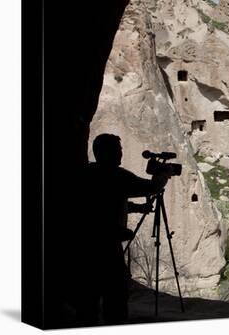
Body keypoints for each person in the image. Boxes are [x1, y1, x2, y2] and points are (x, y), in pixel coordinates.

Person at [73, 133, 168, 325]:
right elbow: (151, 187)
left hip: (84, 246)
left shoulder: (87, 173)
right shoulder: (116, 175)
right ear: (108, 152)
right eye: (118, 150)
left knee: (88, 298)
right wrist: (163, 174)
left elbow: (104, 203)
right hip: (107, 247)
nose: (121, 153)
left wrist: (137, 207)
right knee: (115, 294)